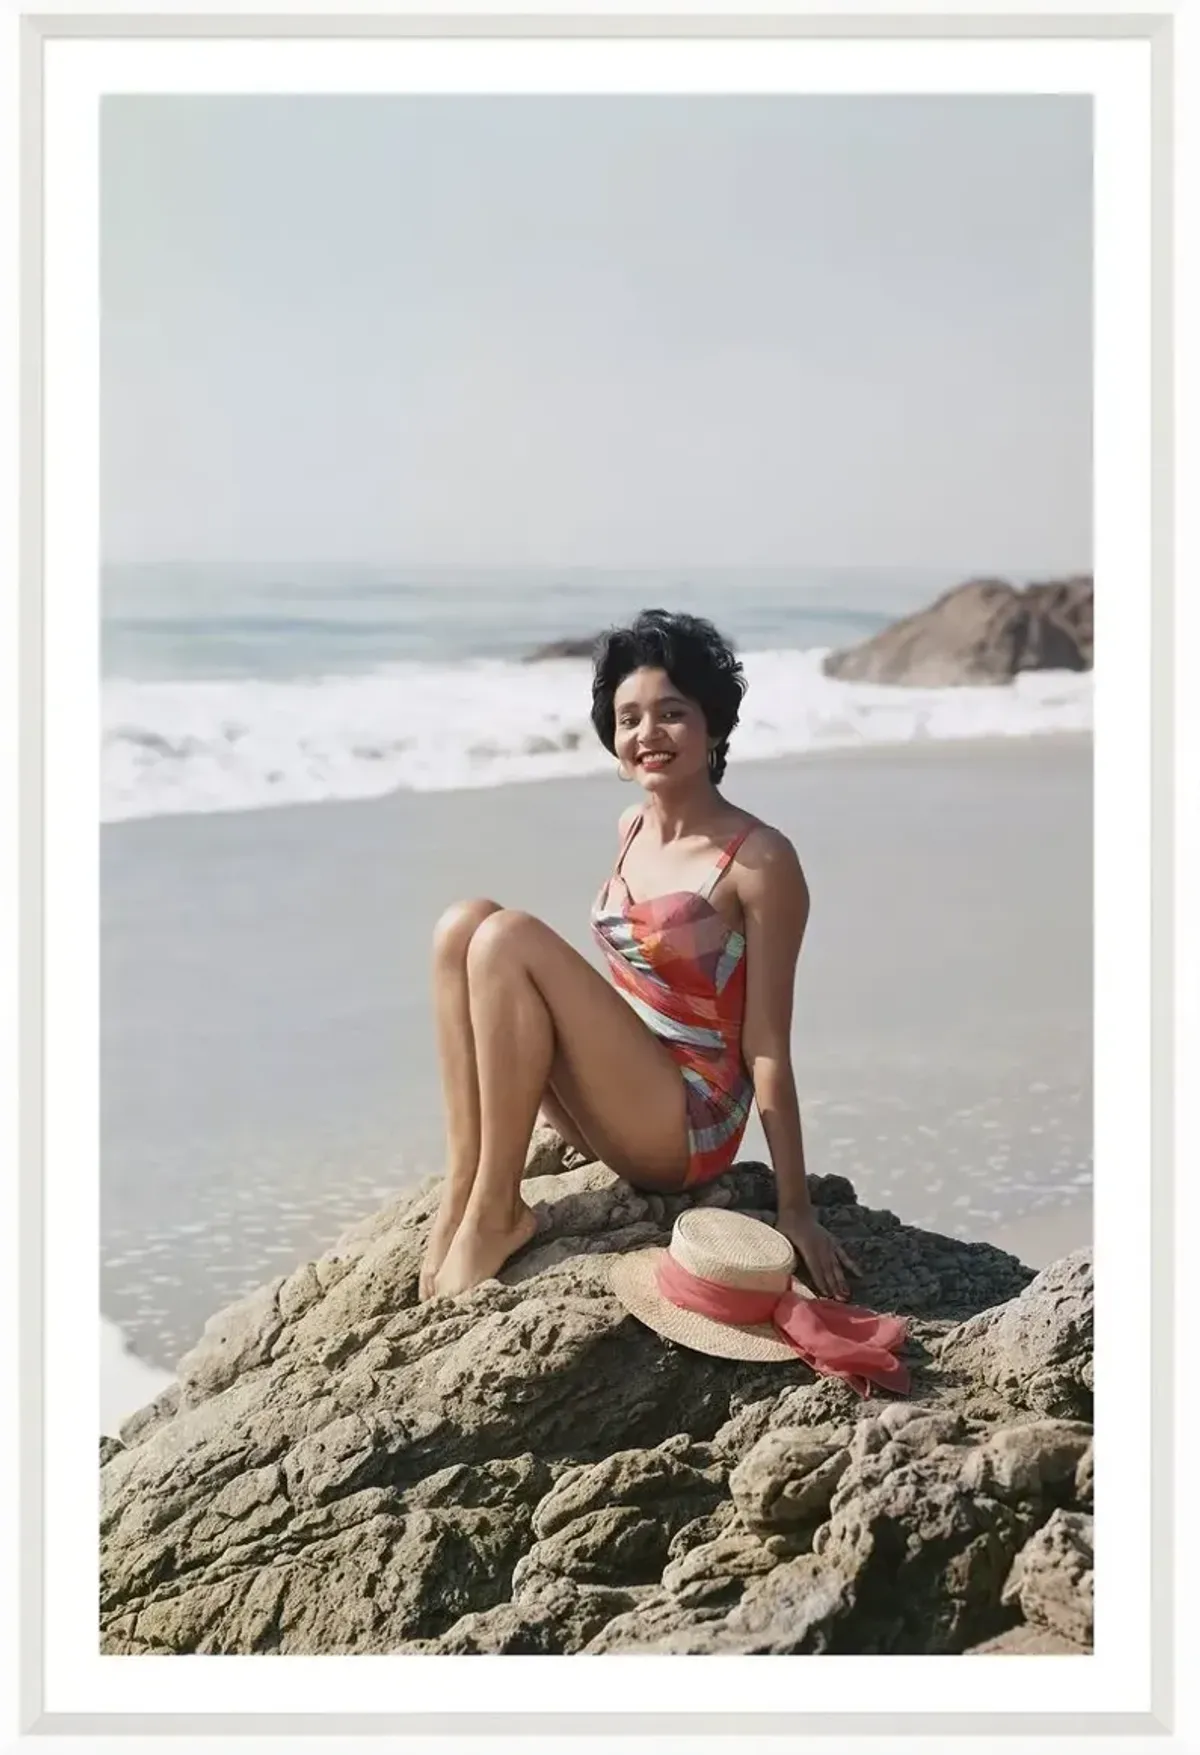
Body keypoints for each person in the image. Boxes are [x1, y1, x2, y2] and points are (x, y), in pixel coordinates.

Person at [419, 608, 858, 1305]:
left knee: (508, 936)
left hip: (687, 1122)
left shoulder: (759, 860)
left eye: (671, 712)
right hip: (621, 1093)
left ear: (712, 724)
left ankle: (498, 1210)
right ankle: (465, 1189)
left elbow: (768, 1045)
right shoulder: (629, 827)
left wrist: (795, 1206)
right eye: (628, 718)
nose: (646, 734)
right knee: (462, 924)